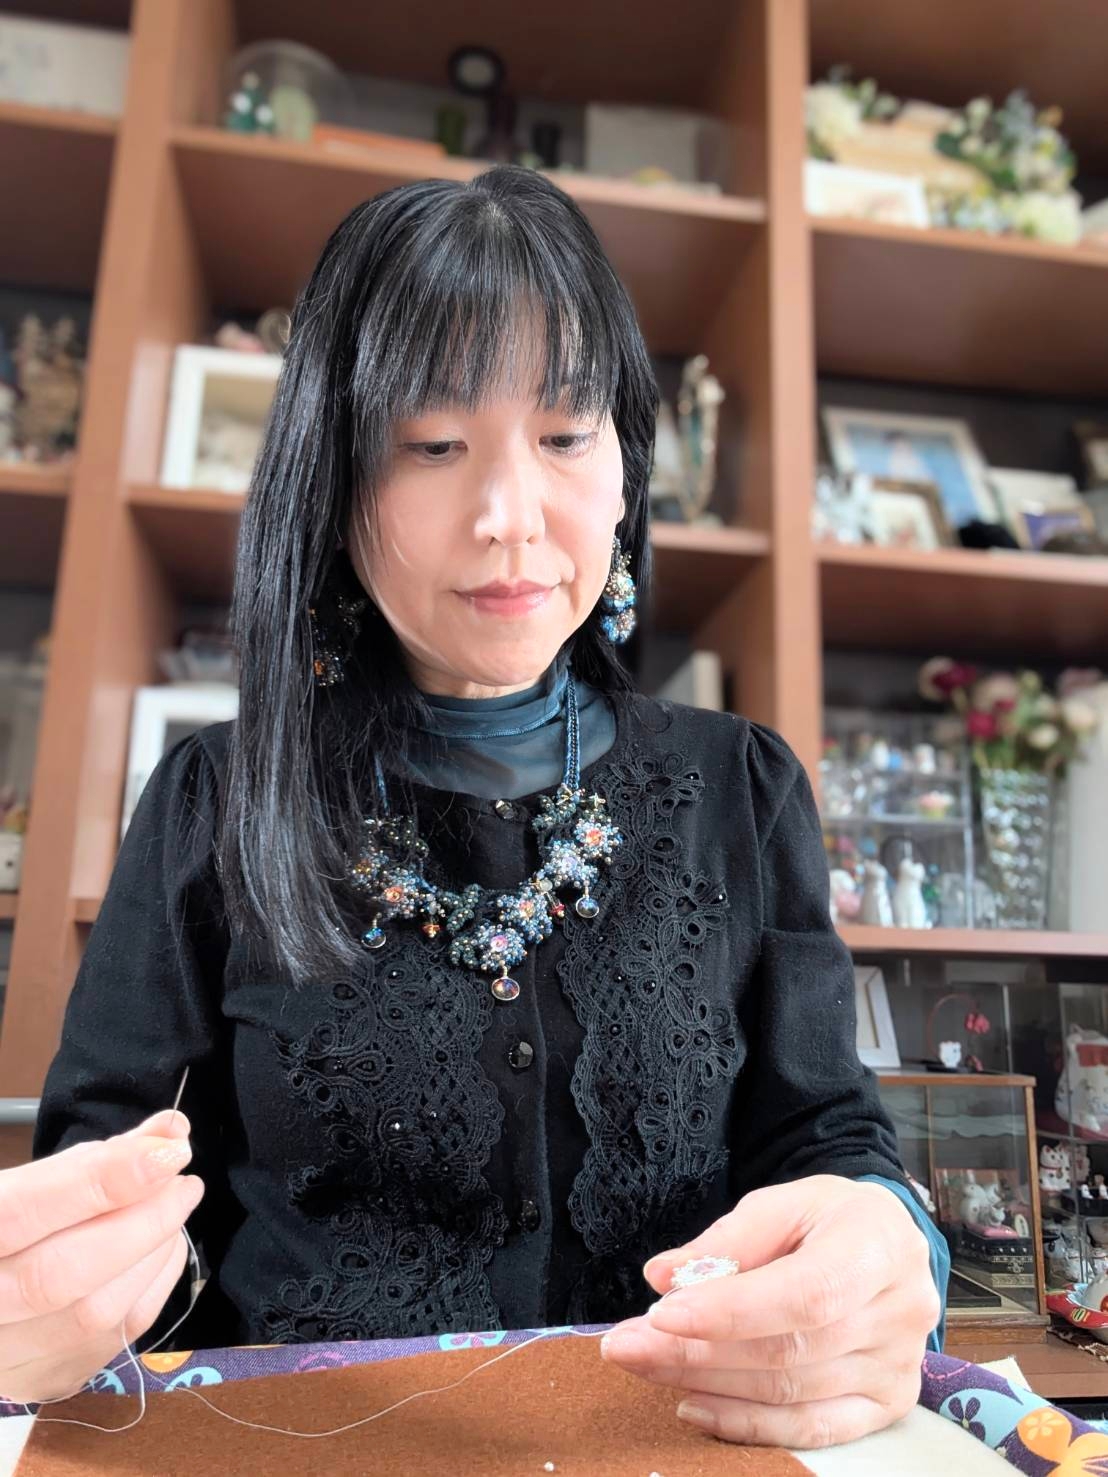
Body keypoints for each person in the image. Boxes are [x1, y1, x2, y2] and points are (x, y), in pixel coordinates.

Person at [1, 165, 946, 1448]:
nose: (509, 517)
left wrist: (887, 1247)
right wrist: (57, 1301)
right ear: (334, 487)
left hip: (675, 1450)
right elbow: (109, 1197)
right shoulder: (215, 802)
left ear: (625, 470)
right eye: (433, 445)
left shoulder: (742, 786)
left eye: (566, 436)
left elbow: (828, 1140)